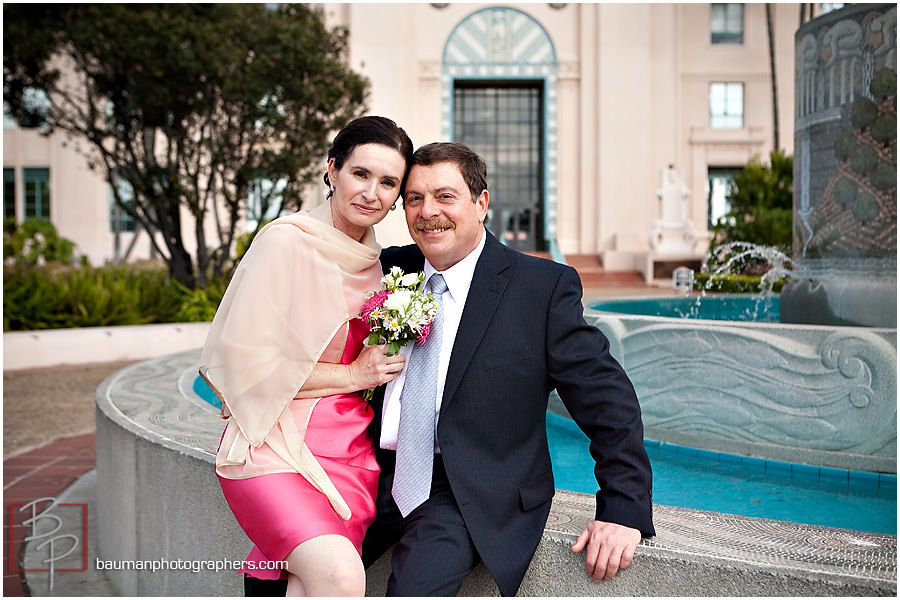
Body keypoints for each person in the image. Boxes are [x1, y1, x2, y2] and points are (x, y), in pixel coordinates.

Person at [361, 142, 655, 596]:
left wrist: (622, 508)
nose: (427, 211)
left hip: (461, 488)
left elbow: (607, 400)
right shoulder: (388, 269)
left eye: (445, 196)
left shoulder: (540, 288)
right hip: (370, 472)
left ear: (481, 203)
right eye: (414, 198)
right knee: (272, 566)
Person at [199, 116, 414, 597]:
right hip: (273, 446)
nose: (371, 193)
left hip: (350, 456)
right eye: (360, 174)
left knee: (308, 584)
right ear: (333, 169)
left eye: (388, 183)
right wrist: (354, 372)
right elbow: (243, 367)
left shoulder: (380, 267)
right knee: (339, 576)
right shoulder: (285, 241)